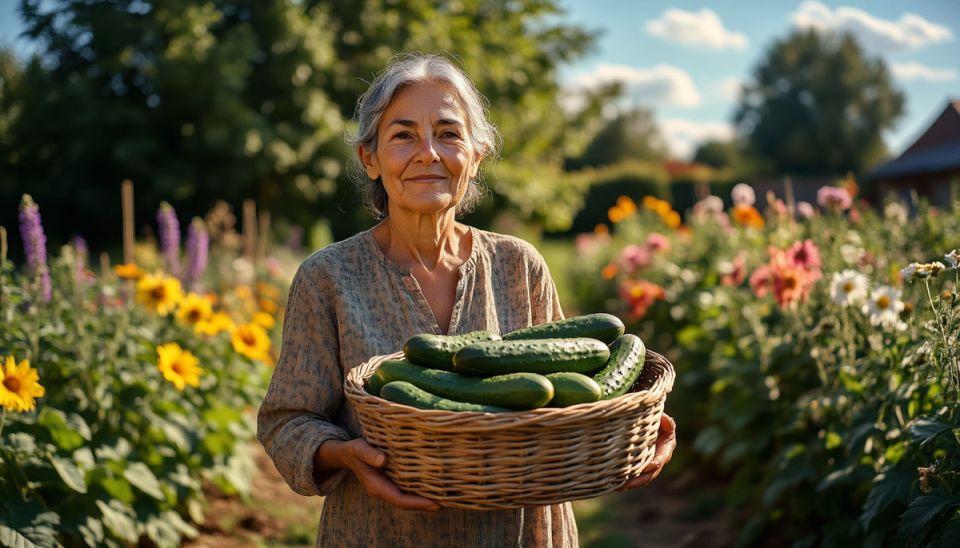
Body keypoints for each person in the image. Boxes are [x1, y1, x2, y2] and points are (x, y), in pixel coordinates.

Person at [257, 52, 677, 547]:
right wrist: (344, 454)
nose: (428, 153)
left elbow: (573, 390)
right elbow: (286, 421)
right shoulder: (327, 277)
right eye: (403, 135)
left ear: (476, 156)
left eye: (449, 134)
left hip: (520, 533)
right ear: (370, 158)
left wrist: (630, 429)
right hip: (379, 532)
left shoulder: (519, 265)